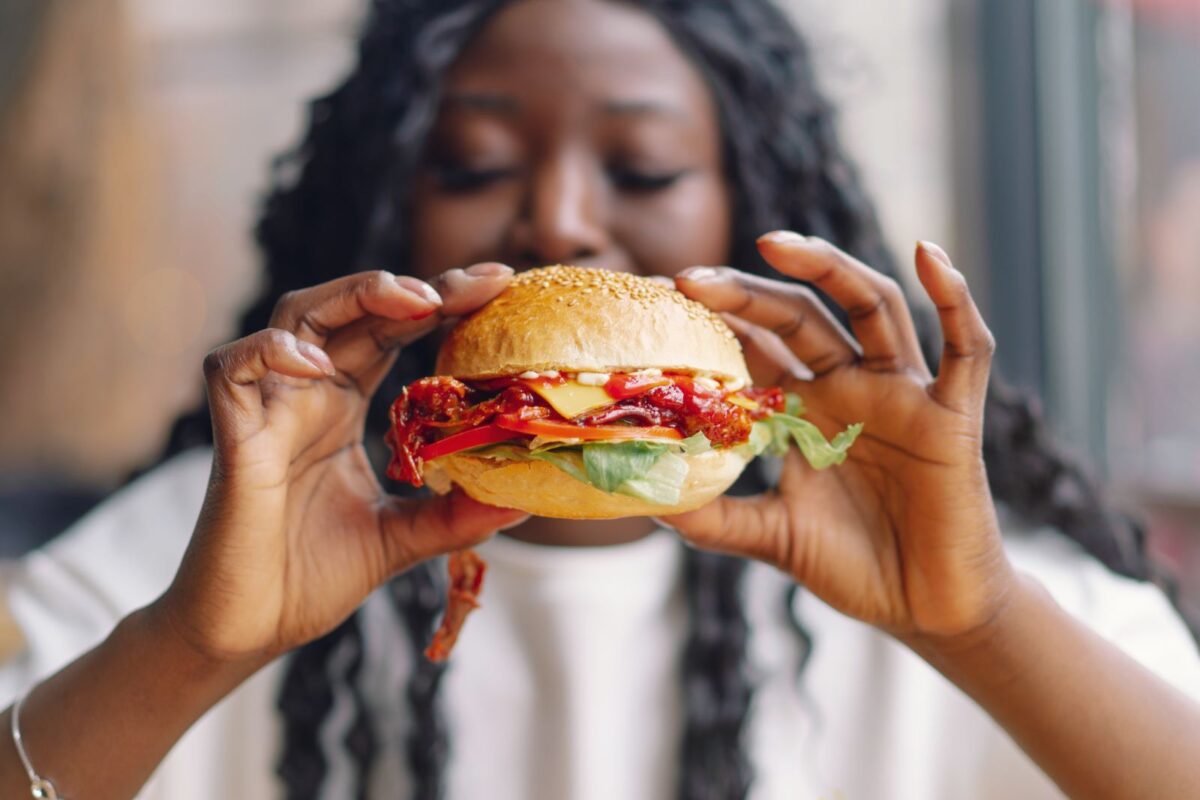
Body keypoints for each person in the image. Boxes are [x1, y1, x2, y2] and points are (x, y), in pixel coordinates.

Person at [3, 1, 1199, 798]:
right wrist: (190, 647)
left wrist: (977, 623)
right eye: (472, 164)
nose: (562, 220)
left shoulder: (953, 557)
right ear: (389, 215)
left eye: (642, 168)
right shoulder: (216, 543)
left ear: (750, 211)